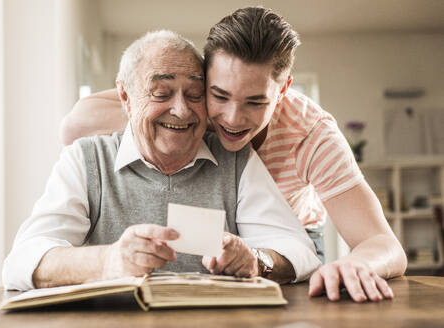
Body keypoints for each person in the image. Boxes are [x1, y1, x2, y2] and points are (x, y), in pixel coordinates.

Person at [60, 7, 407, 303]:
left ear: (284, 88)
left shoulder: (313, 136)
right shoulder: (188, 104)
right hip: (216, 228)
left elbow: (381, 242)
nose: (232, 118)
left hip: (288, 244)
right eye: (219, 96)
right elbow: (75, 125)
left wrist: (357, 264)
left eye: (255, 101)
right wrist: (165, 115)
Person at [2, 30, 321, 291]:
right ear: (125, 97)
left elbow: (299, 251)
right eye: (161, 93)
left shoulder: (235, 159)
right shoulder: (86, 159)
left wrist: (256, 259)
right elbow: (21, 262)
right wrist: (109, 261)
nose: (181, 110)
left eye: (194, 95)